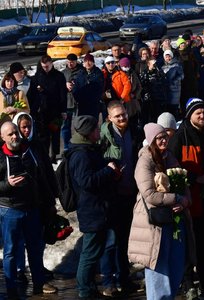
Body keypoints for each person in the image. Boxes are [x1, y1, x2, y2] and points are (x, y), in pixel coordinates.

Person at [168, 98, 204, 300]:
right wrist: (196, 178)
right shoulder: (180, 137)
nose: (202, 116)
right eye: (198, 113)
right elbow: (172, 168)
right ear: (189, 115)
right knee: (187, 243)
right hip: (188, 199)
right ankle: (188, 283)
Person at [128, 122, 192, 300]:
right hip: (154, 222)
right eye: (159, 138)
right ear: (151, 140)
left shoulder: (169, 157)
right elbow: (149, 194)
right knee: (159, 264)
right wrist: (177, 199)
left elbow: (183, 182)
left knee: (176, 263)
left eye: (165, 136)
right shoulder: (145, 161)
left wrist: (185, 201)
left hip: (174, 219)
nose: (164, 140)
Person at [0, 121, 58, 298]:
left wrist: (50, 203)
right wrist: (7, 185)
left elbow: (42, 177)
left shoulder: (30, 150)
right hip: (9, 210)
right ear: (2, 137)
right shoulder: (1, 156)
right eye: (10, 134)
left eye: (16, 132)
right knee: (10, 251)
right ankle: (11, 290)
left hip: (32, 208)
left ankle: (39, 286)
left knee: (35, 249)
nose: (15, 136)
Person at [68, 115, 119, 299]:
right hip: (91, 210)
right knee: (89, 253)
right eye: (96, 129)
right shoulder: (80, 154)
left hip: (98, 208)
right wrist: (108, 171)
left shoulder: (88, 150)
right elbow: (86, 181)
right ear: (88, 133)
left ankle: (89, 287)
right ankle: (83, 290)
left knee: (95, 250)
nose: (99, 131)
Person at [98, 101, 140, 296]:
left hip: (130, 192)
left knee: (124, 240)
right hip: (112, 195)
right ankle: (108, 281)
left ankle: (124, 278)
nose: (122, 118)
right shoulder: (104, 137)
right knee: (111, 240)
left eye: (123, 114)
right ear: (109, 118)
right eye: (117, 116)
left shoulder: (135, 131)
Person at [26, 55, 67, 163]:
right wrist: (30, 109)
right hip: (41, 113)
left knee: (55, 135)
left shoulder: (59, 76)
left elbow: (63, 94)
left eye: (47, 66)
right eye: (43, 66)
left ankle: (54, 156)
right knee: (43, 136)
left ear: (51, 64)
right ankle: (45, 156)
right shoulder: (36, 78)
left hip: (56, 111)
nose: (45, 68)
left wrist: (63, 110)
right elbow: (31, 95)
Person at [61, 53, 83, 152]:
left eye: (72, 62)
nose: (70, 64)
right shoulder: (63, 73)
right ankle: (67, 146)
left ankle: (79, 144)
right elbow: (59, 87)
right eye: (69, 62)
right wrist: (65, 85)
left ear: (76, 61)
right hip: (67, 102)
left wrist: (76, 84)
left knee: (79, 125)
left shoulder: (81, 71)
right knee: (66, 126)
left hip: (78, 102)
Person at [72, 53, 105, 119]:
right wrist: (78, 99)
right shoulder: (80, 74)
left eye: (90, 61)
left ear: (93, 62)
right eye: (86, 61)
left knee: (93, 123)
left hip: (94, 104)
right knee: (83, 123)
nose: (88, 63)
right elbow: (76, 88)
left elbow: (100, 88)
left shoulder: (98, 73)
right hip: (82, 103)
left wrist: (94, 98)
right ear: (84, 63)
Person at [161, 50, 184, 117]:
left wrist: (175, 81)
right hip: (166, 90)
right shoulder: (163, 67)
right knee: (167, 107)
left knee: (174, 107)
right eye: (166, 57)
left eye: (169, 56)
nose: (168, 58)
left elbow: (182, 76)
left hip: (175, 89)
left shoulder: (177, 65)